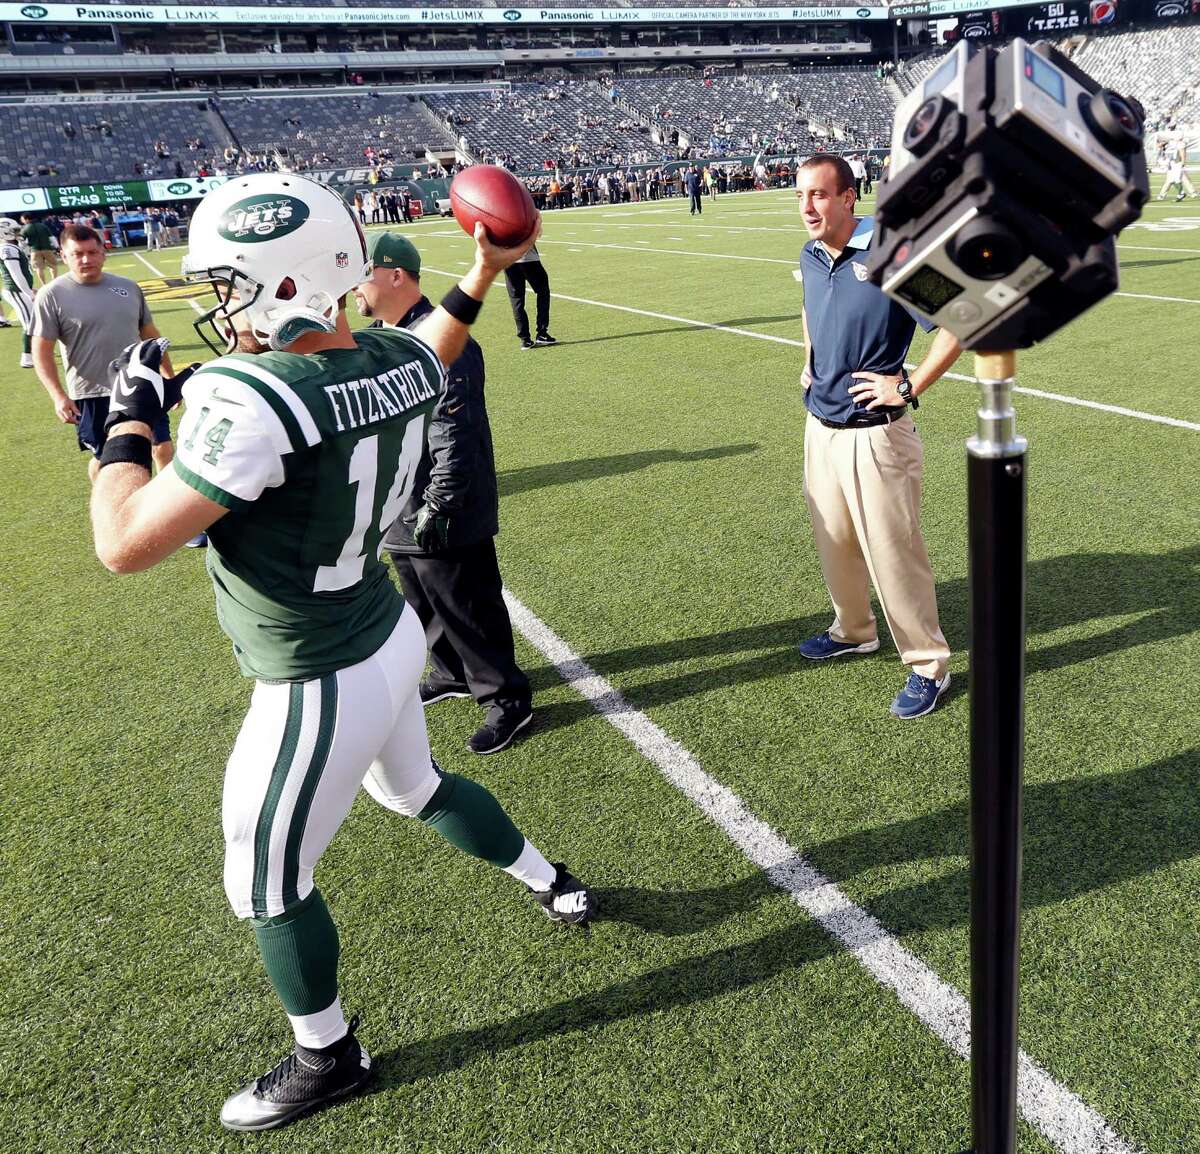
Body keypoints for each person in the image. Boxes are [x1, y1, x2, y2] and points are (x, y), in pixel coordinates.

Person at [87, 173, 595, 1133]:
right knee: (417, 790)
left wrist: (122, 418)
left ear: (283, 285)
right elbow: (433, 343)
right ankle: (550, 880)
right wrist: (483, 268)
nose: (220, 304)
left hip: (317, 671)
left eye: (232, 284)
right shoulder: (396, 361)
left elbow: (123, 543)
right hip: (386, 630)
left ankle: (329, 1054)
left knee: (266, 880)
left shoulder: (251, 393)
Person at [794, 155, 962, 719]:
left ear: (848, 198)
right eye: (800, 196)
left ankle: (928, 664)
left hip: (877, 435)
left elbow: (958, 320)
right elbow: (811, 307)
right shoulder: (811, 255)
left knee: (894, 552)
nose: (808, 207)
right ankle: (854, 630)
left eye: (819, 195)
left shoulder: (896, 251)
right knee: (834, 541)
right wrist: (811, 358)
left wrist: (908, 385)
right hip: (821, 426)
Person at [354, 232, 533, 755]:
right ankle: (452, 672)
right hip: (401, 502)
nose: (354, 289)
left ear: (395, 276)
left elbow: (453, 430)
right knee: (422, 601)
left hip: (443, 503)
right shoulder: (379, 337)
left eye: (363, 275)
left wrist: (441, 501)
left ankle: (506, 698)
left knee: (468, 603)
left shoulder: (442, 337)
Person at [32, 224, 175, 482]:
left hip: (141, 383)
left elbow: (150, 335)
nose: (86, 259)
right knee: (105, 457)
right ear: (64, 256)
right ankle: (105, 507)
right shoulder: (51, 295)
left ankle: (167, 504)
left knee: (161, 445)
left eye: (92, 252)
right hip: (92, 392)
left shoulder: (128, 287)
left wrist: (169, 377)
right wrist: (58, 396)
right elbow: (41, 351)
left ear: (103, 253)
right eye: (77, 254)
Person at [503, 241, 556, 351]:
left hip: (507, 260)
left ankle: (525, 339)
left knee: (516, 300)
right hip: (527, 258)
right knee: (543, 292)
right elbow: (536, 231)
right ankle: (542, 333)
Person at [0, 217, 36, 368]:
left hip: (19, 290)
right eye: (14, 231)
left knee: (33, 321)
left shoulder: (11, 246)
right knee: (29, 324)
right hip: (16, 290)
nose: (17, 233)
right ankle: (27, 358)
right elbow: (15, 273)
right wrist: (28, 292)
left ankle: (34, 350)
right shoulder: (6, 248)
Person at [20, 213, 58, 286]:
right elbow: (51, 237)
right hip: (47, 248)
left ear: (27, 219)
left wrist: (22, 248)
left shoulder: (25, 228)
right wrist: (57, 247)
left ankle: (44, 284)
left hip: (34, 250)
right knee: (53, 265)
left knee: (38, 268)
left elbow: (22, 241)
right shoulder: (43, 226)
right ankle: (54, 282)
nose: (22, 221)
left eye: (22, 219)